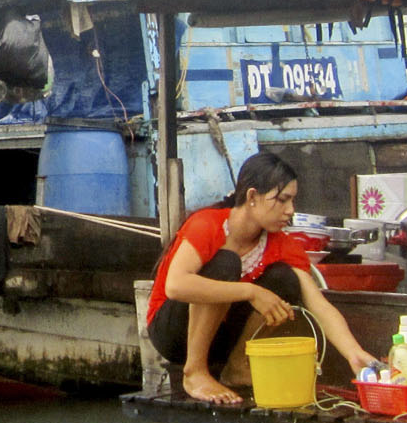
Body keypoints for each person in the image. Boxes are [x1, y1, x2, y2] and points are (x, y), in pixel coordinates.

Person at [145, 151, 379, 405]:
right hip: (173, 332)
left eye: (292, 201)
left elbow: (319, 305)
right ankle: (195, 372)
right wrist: (251, 292)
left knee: (285, 278)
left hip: (221, 337)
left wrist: (354, 354)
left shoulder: (282, 245)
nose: (290, 210)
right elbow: (176, 286)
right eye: (282, 200)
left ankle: (237, 366)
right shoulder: (208, 225)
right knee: (226, 263)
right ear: (252, 197)